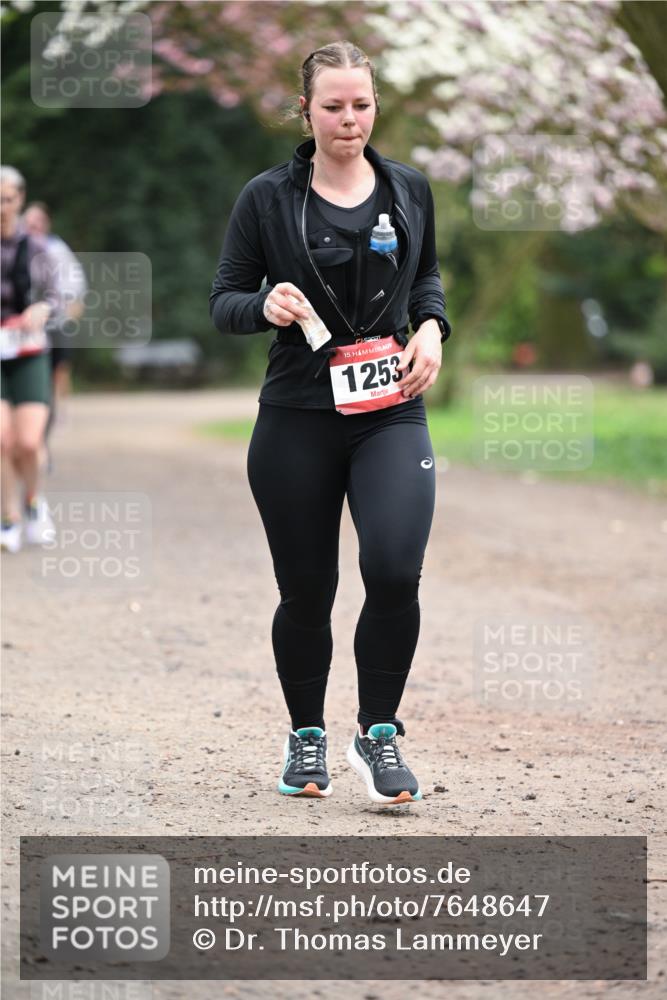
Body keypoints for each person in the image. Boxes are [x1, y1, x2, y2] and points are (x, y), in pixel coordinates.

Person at [210, 42, 452, 805]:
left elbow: (427, 278)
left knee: (391, 569)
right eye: (333, 107)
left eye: (362, 105)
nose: (349, 120)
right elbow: (224, 300)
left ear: (375, 105)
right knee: (306, 590)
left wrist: (433, 328)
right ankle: (305, 736)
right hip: (297, 416)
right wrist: (264, 306)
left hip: (390, 412)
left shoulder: (408, 187)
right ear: (306, 110)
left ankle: (378, 733)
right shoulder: (267, 198)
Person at [1, 167, 60, 553]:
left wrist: (42, 308)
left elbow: (58, 298)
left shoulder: (37, 247)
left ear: (19, 200)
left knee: (27, 441)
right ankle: (9, 517)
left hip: (29, 352)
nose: (0, 208)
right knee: (1, 440)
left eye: (6, 200)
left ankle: (34, 501)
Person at [23, 201, 87, 431]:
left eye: (38, 221)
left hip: (54, 318)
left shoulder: (57, 249)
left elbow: (74, 284)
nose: (33, 226)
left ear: (47, 223)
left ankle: (58, 409)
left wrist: (69, 310)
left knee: (59, 368)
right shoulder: (14, 246)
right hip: (24, 322)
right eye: (29, 221)